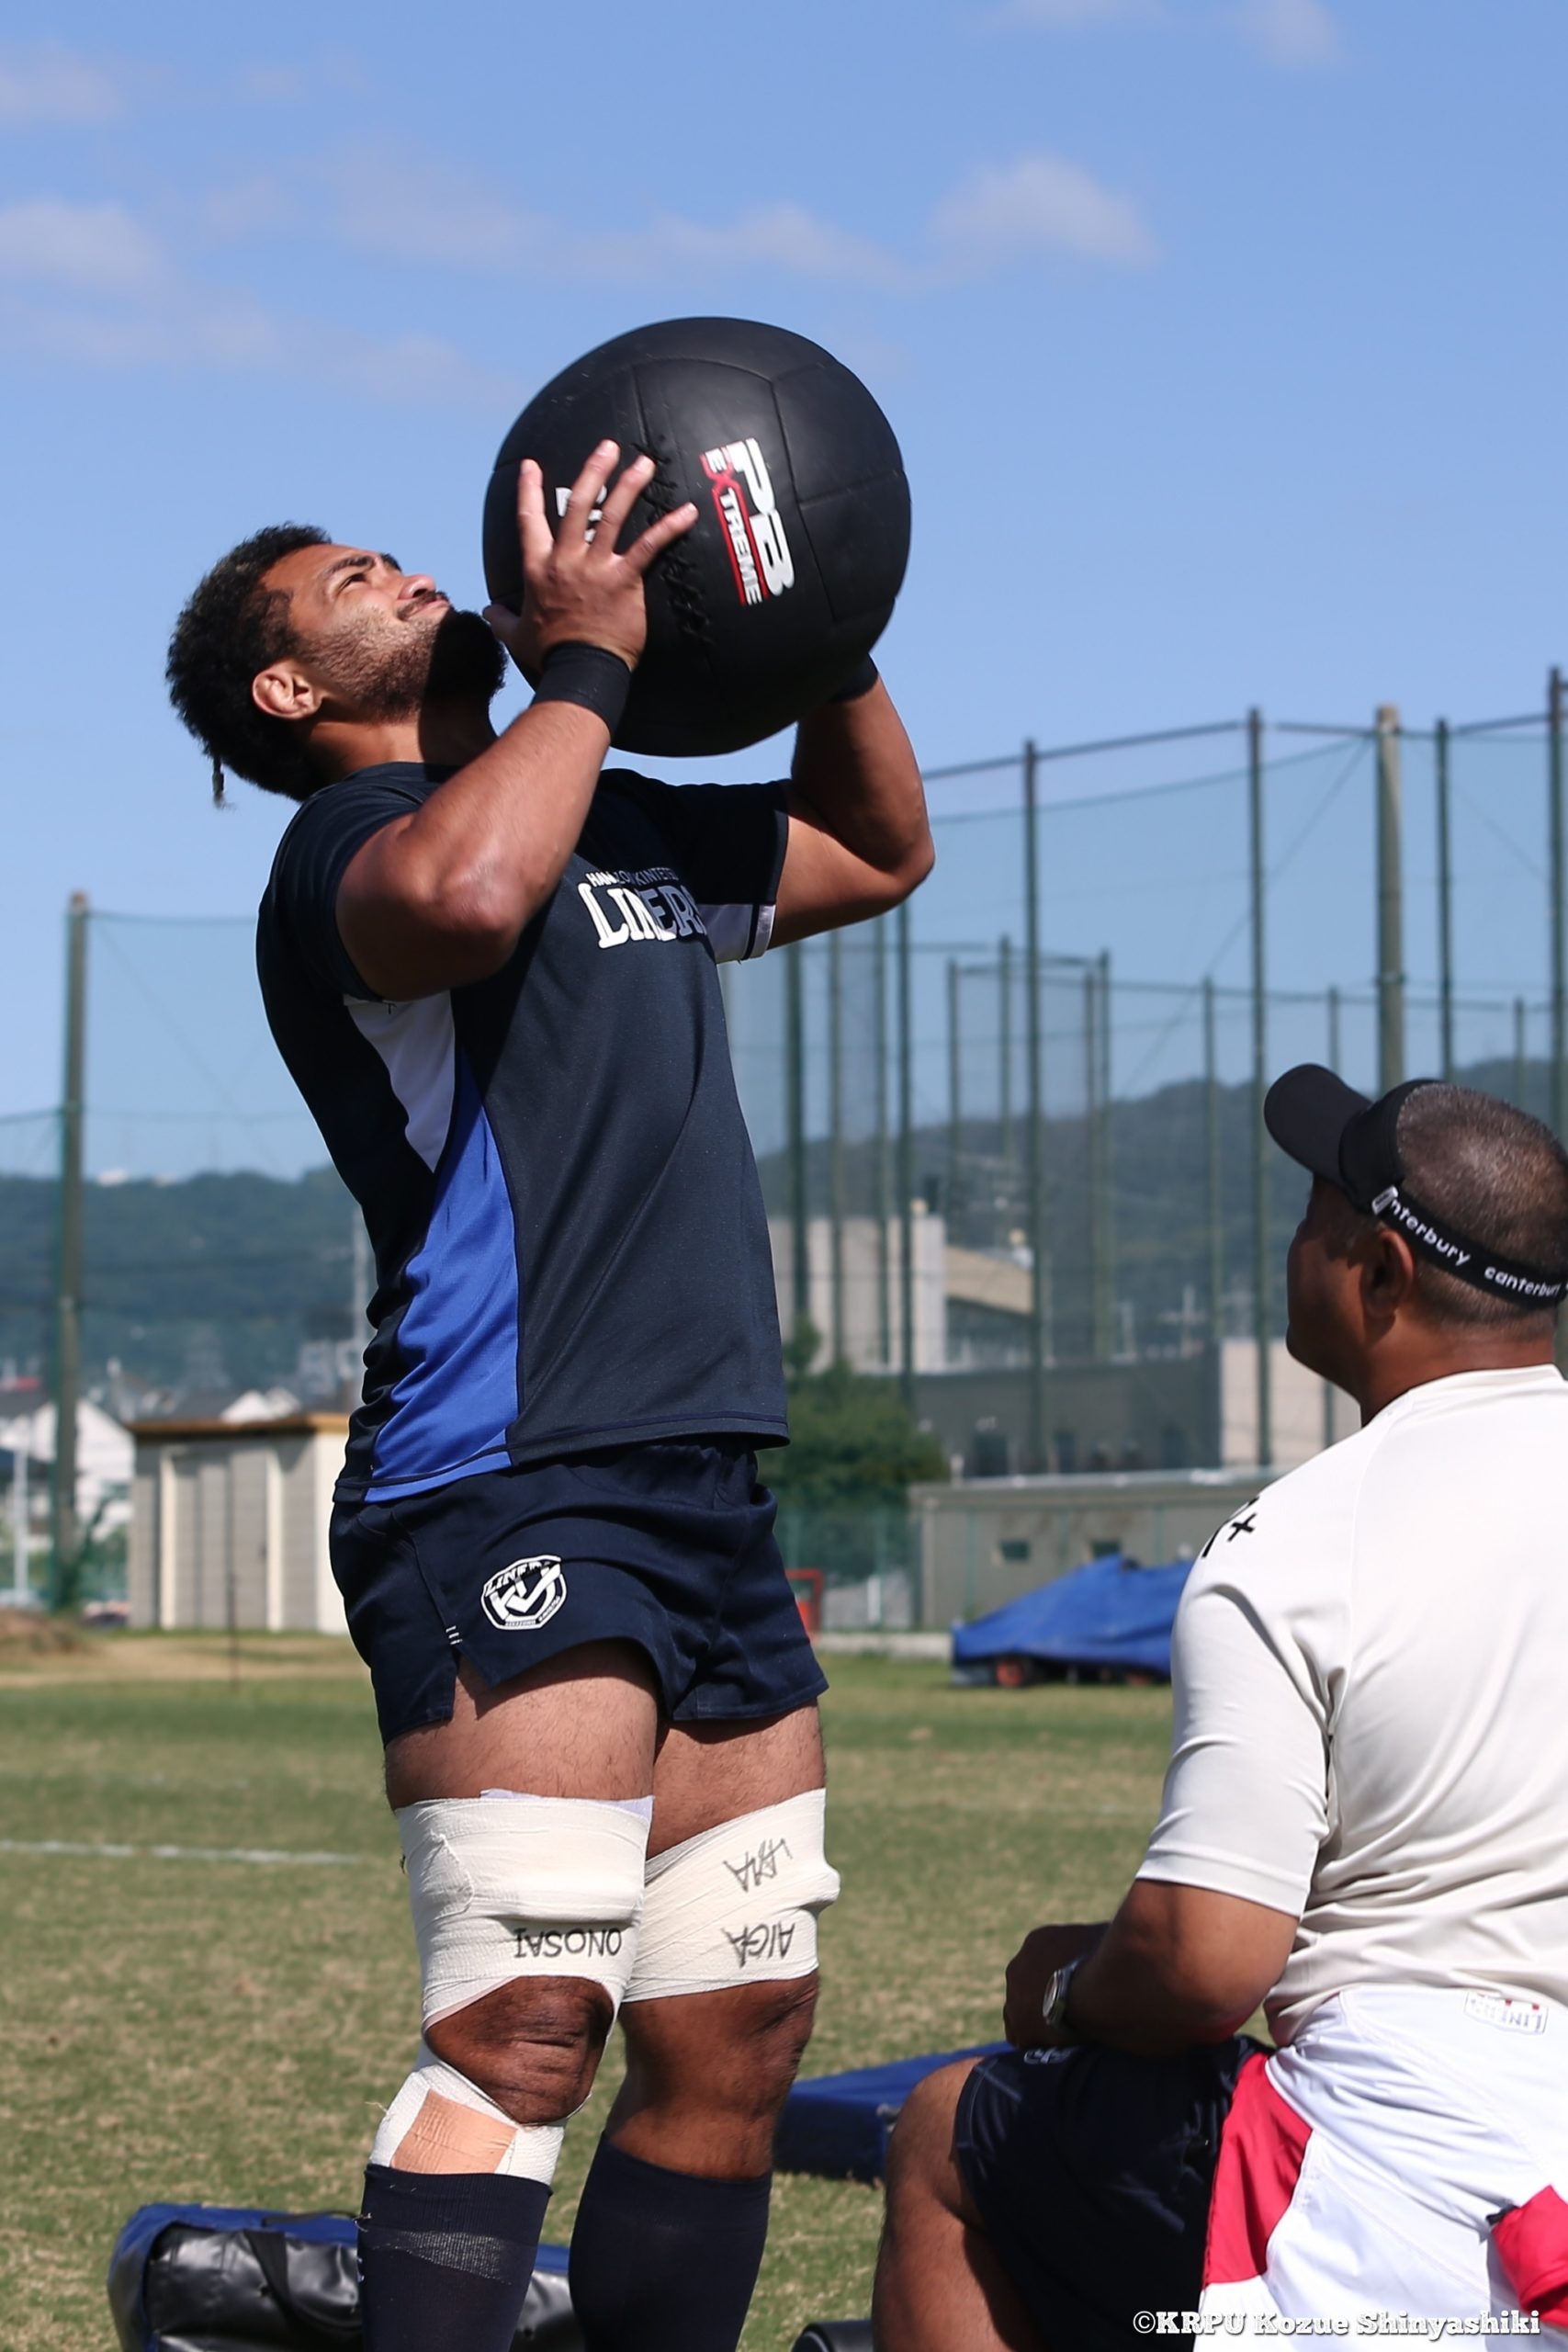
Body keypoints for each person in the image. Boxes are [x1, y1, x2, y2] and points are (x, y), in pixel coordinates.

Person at [165, 440, 932, 2352]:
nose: (407, 571)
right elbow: (472, 889)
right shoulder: (350, 851)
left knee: (739, 2030)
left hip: (707, 1487)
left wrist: (811, 622)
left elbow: (877, 848)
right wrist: (587, 664)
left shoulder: (621, 819)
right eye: (351, 579)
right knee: (523, 2025)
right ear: (288, 686)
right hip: (507, 1475)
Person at [874, 1067, 1568, 2346]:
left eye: (1312, 1217)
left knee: (944, 2134)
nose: (1291, 1247)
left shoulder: (1297, 1540)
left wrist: (1068, 1988)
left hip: (1405, 2184)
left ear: (1381, 1274)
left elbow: (1205, 1964)